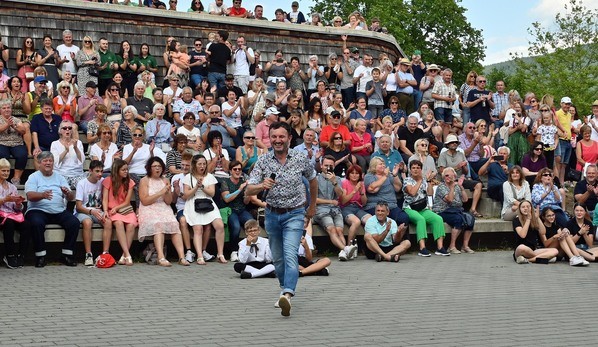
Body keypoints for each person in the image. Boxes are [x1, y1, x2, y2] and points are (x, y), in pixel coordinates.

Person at [246, 121, 318, 317]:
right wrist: (262, 185)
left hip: (294, 213)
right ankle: (283, 289)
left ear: (289, 138)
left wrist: (311, 207)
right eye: (274, 137)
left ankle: (287, 293)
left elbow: (313, 180)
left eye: (281, 137)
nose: (278, 140)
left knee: (290, 254)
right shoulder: (263, 161)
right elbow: (249, 189)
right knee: (278, 259)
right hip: (272, 214)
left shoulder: (300, 158)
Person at [25, 152, 80, 267]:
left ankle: (66, 255)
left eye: (50, 160)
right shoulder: (33, 177)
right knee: (36, 223)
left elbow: (71, 197)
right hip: (38, 210)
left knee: (74, 222)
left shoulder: (59, 177)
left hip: (58, 210)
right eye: (45, 161)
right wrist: (42, 195)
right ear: (39, 163)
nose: (48, 163)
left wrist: (67, 193)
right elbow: (30, 196)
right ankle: (40, 256)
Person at [138, 157, 189, 267]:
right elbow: (145, 201)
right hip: (149, 208)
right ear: (149, 168)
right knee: (158, 224)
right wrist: (161, 192)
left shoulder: (165, 180)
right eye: (154, 166)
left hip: (163, 208)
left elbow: (169, 201)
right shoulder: (144, 180)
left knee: (174, 224)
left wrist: (167, 192)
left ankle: (181, 257)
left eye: (159, 166)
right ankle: (161, 257)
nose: (157, 168)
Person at [182, 154, 228, 264]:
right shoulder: (188, 177)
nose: (202, 166)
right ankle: (199, 256)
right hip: (193, 203)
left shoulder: (210, 176)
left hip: (208, 202)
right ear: (194, 165)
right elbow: (186, 194)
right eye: (199, 164)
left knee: (220, 225)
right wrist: (196, 187)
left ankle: (220, 254)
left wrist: (202, 186)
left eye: (204, 164)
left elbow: (212, 193)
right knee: (198, 229)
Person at [314, 155, 357, 261]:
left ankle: (343, 253)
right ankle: (346, 249)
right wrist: (330, 201)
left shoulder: (337, 178)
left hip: (335, 210)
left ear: (334, 166)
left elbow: (340, 195)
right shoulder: (316, 179)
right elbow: (314, 200)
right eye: (326, 165)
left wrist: (334, 182)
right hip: (321, 210)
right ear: (322, 166)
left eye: (330, 166)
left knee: (339, 230)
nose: (328, 168)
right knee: (332, 229)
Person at [402, 160, 447, 256]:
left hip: (423, 208)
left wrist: (428, 182)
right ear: (410, 170)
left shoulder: (424, 180)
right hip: (409, 208)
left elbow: (430, 193)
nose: (416, 170)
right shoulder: (407, 180)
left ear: (421, 169)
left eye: (418, 168)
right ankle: (422, 248)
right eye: (413, 168)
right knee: (420, 219)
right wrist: (419, 181)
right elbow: (412, 193)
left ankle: (440, 247)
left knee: (438, 219)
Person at [101, 159, 137, 266]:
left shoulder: (130, 182)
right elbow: (105, 199)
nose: (126, 172)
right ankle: (127, 254)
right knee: (119, 223)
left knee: (131, 225)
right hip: (112, 211)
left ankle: (123, 255)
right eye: (123, 170)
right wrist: (105, 210)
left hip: (124, 209)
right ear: (117, 170)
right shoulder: (108, 180)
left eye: (127, 169)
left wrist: (117, 208)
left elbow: (127, 202)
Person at [438, 134, 483, 217]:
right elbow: (442, 172)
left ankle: (473, 209)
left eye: (455, 142)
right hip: (448, 181)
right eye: (452, 142)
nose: (454, 144)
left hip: (460, 179)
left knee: (478, 184)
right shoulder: (443, 155)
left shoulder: (461, 154)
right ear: (447, 144)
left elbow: (465, 172)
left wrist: (464, 167)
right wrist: (456, 167)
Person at [74, 160, 106, 266]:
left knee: (108, 221)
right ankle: (88, 254)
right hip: (83, 211)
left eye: (101, 171)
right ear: (90, 171)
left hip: (97, 210)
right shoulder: (82, 183)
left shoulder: (103, 181)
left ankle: (106, 253)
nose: (100, 174)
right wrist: (91, 211)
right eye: (97, 171)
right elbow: (78, 207)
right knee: (87, 222)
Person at [0, 158, 30, 269]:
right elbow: (4, 201)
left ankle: (21, 255)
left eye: (7, 171)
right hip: (1, 216)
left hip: (11, 214)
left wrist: (18, 204)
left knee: (26, 224)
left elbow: (17, 209)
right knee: (9, 223)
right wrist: (4, 200)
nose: (6, 173)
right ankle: (10, 255)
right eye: (3, 170)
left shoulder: (12, 186)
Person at [221, 160, 253, 262]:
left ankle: (251, 249)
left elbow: (246, 202)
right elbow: (226, 198)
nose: (238, 171)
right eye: (235, 169)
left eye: (239, 169)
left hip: (242, 209)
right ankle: (233, 251)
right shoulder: (225, 182)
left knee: (251, 224)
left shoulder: (243, 183)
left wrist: (247, 193)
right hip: (231, 210)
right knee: (235, 227)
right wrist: (240, 189)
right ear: (230, 171)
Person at [339, 164, 371, 257]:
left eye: (357, 173)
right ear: (348, 174)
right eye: (352, 173)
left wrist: (361, 192)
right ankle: (349, 247)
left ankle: (369, 246)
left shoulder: (361, 184)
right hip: (346, 207)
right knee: (356, 222)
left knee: (370, 220)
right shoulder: (344, 182)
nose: (354, 175)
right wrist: (354, 190)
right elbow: (343, 200)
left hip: (358, 208)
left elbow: (364, 202)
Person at [0, 100, 28, 185]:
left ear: (11, 109)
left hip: (16, 143)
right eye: (4, 108)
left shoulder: (16, 120)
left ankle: (16, 179)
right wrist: (7, 125)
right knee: (3, 155)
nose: (6, 109)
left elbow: (23, 131)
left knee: (22, 155)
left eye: (8, 108)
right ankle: (2, 179)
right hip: (2, 142)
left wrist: (14, 126)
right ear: (0, 110)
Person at [554, 97, 573, 184]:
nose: (567, 106)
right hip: (561, 140)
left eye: (568, 104)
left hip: (568, 141)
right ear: (561, 104)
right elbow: (556, 125)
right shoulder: (557, 113)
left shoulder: (569, 114)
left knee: (564, 164)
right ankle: (557, 182)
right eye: (565, 104)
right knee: (559, 163)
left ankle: (562, 183)